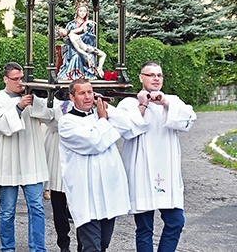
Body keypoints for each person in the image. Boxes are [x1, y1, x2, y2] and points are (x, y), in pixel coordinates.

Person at [117, 62, 196, 252]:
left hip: (166, 172)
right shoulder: (129, 103)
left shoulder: (172, 100)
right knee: (144, 228)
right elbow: (125, 130)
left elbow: (189, 120)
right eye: (151, 75)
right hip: (141, 171)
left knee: (176, 221)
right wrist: (143, 104)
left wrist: (166, 104)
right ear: (141, 78)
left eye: (159, 75)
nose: (156, 79)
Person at [58, 78, 131, 252]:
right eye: (82, 93)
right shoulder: (66, 122)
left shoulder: (100, 115)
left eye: (90, 92)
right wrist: (105, 123)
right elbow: (94, 143)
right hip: (86, 193)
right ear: (72, 97)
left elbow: (127, 126)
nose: (87, 96)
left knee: (104, 243)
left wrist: (104, 106)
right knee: (92, 246)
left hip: (108, 190)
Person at [0, 62, 53, 252]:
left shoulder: (30, 96)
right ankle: (7, 248)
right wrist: (19, 107)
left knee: (37, 208)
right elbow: (1, 124)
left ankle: (38, 249)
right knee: (7, 211)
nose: (19, 82)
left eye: (21, 78)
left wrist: (41, 98)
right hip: (9, 162)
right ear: (5, 79)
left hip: (30, 160)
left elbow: (49, 116)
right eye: (15, 79)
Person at [43, 98, 76, 252]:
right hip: (56, 152)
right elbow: (51, 121)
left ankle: (84, 244)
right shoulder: (51, 100)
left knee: (80, 205)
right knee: (59, 204)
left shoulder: (87, 99)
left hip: (77, 154)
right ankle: (63, 242)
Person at [57, 0, 106, 80]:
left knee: (93, 55)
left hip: (86, 46)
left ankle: (96, 71)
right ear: (77, 12)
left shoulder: (89, 25)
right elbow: (67, 39)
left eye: (85, 11)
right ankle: (75, 75)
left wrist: (86, 34)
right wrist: (82, 29)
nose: (83, 13)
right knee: (76, 56)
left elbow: (92, 38)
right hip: (73, 49)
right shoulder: (71, 25)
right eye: (81, 11)